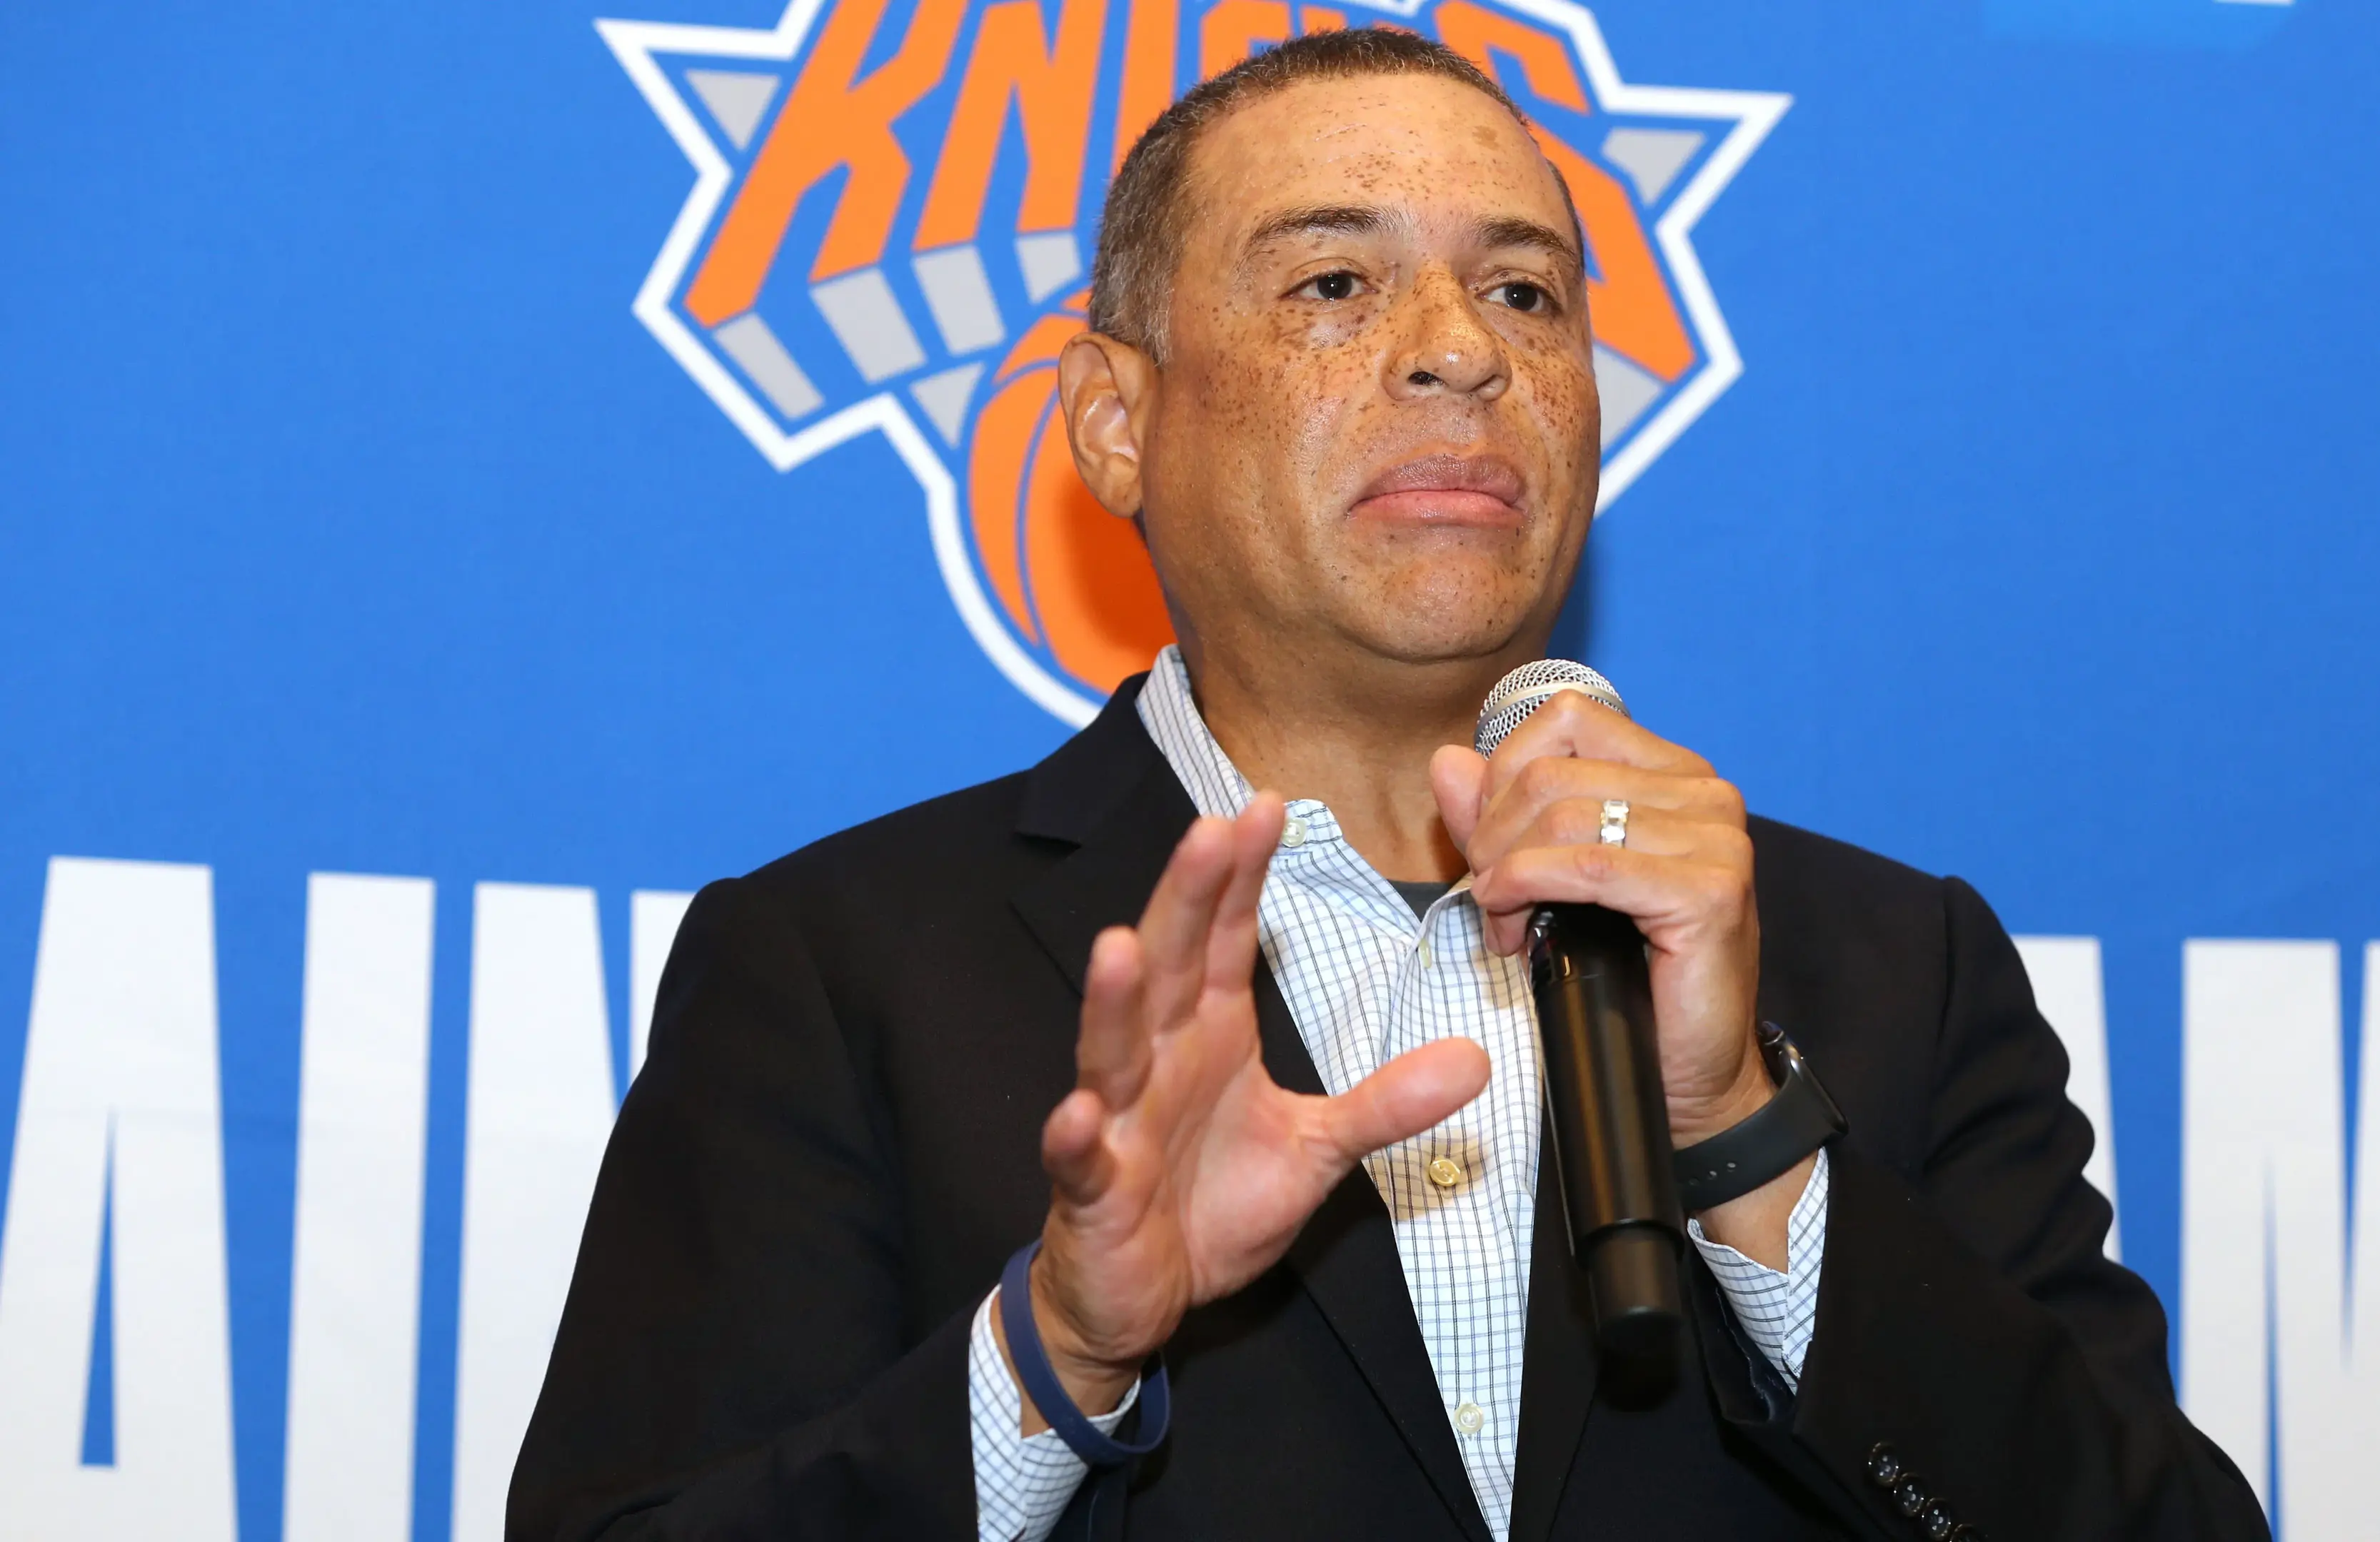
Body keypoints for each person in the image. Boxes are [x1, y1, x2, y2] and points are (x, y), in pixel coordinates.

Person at [511, 28, 2267, 1542]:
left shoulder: (1887, 962)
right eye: (1335, 284)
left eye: (1525, 291)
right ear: (1114, 420)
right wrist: (1052, 1356)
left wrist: (1749, 1147)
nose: (1460, 351)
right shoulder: (841, 970)